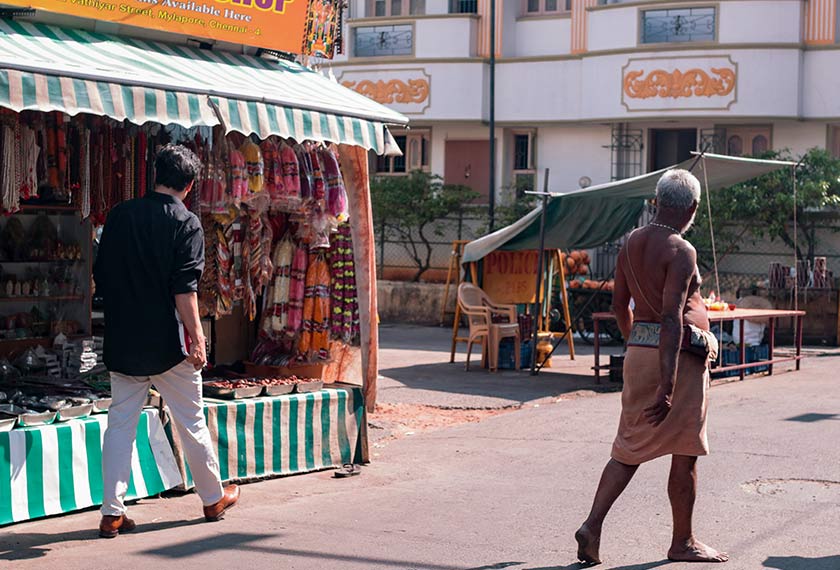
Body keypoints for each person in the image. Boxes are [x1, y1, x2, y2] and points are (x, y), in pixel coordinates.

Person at [575, 169, 728, 565]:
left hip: (641, 353)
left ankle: (592, 525)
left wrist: (637, 345)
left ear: (656, 202)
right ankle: (682, 542)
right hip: (678, 360)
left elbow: (618, 305)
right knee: (685, 451)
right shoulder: (681, 250)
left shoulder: (630, 243)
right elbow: (672, 317)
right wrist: (667, 385)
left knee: (628, 447)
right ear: (692, 208)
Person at [94, 144, 239, 539]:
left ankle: (111, 513)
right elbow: (184, 290)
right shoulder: (186, 223)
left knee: (120, 425)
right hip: (169, 344)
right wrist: (199, 338)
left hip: (123, 339)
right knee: (190, 420)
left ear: (155, 174)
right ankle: (212, 499)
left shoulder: (120, 215)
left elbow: (101, 276)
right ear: (190, 185)